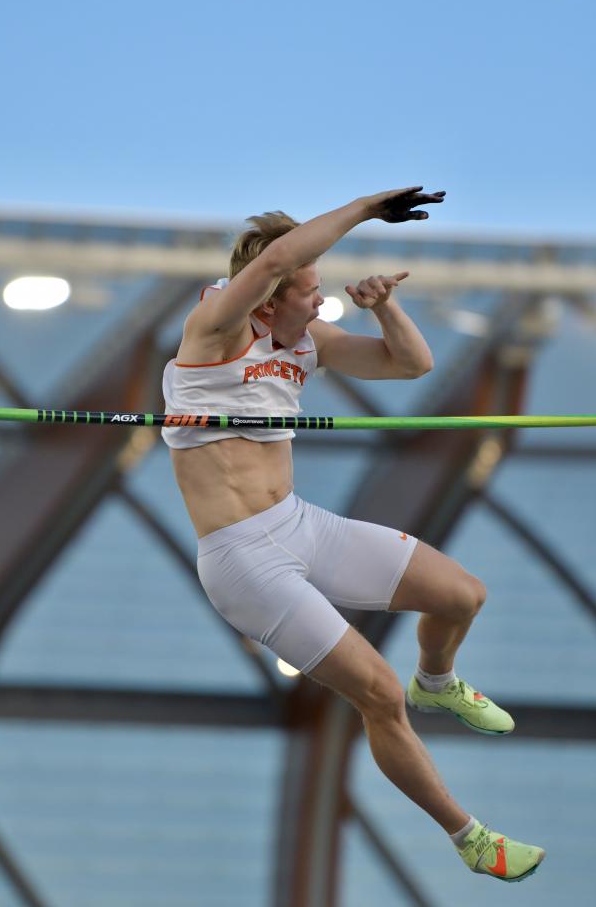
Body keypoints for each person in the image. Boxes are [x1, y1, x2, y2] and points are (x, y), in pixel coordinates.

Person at [161, 187, 545, 883]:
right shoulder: (215, 328)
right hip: (244, 562)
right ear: (266, 299)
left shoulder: (310, 342)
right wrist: (367, 209)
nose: (320, 301)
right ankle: (469, 838)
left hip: (299, 525)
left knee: (461, 595)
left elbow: (411, 365)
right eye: (308, 290)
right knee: (377, 694)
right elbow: (276, 258)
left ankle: (438, 681)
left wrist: (384, 308)